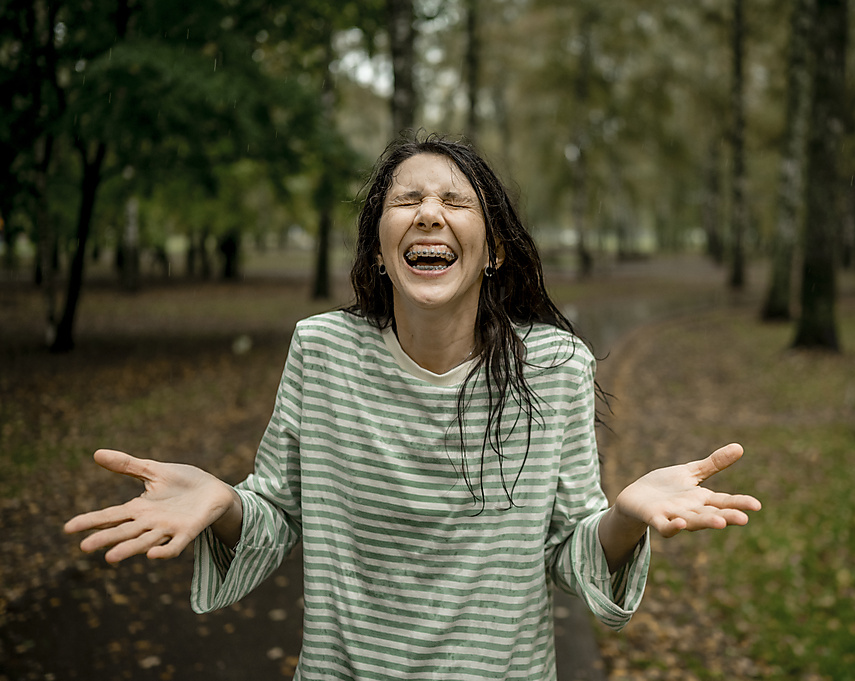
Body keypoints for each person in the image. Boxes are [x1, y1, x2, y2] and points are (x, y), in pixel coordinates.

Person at [65, 134, 762, 680]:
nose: (430, 212)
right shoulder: (323, 351)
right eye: (408, 200)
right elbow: (276, 516)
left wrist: (624, 517)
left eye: (457, 202)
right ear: (377, 248)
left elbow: (569, 549)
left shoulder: (554, 367)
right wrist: (224, 502)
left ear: (491, 250)